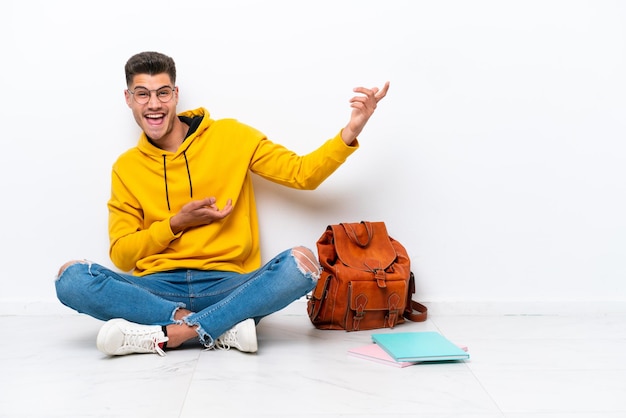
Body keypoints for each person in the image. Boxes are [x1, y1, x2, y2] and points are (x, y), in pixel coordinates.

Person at [55, 51, 389, 356]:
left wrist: (350, 130)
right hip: (157, 289)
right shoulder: (126, 167)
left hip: (227, 283)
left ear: (175, 94)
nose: (153, 104)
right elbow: (122, 254)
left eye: (162, 93)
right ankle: (217, 326)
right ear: (129, 99)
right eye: (142, 94)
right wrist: (175, 224)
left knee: (302, 264)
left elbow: (303, 174)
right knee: (70, 278)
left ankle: (167, 335)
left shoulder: (232, 136)